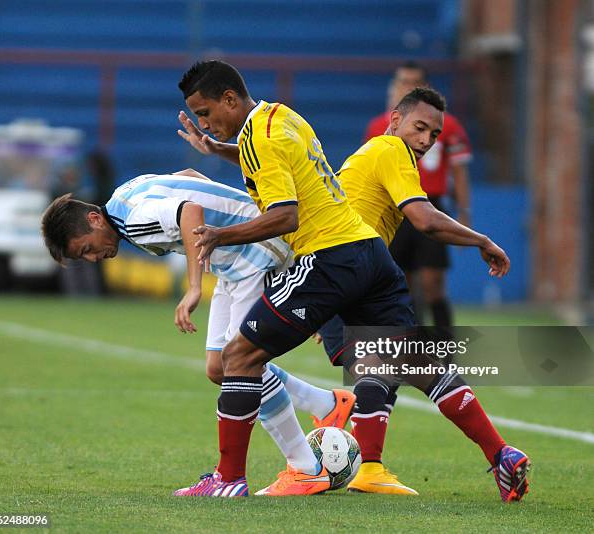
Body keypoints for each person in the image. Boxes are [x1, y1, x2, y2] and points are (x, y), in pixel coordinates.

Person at [173, 60, 530, 501]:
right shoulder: (280, 117)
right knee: (410, 364)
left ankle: (228, 479)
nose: (206, 121)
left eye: (206, 112)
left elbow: (287, 216)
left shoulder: (379, 148)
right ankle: (500, 455)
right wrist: (218, 147)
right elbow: (278, 160)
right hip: (371, 257)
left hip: (328, 258)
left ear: (230, 99)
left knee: (238, 357)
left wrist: (221, 234)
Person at [40, 171, 356, 496]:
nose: (93, 258)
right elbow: (188, 177)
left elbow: (188, 210)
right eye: (85, 257)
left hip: (254, 251)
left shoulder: (133, 221)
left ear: (93, 219)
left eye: (86, 249)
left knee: (241, 363)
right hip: (230, 262)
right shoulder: (123, 195)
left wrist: (193, 287)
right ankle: (325, 404)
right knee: (219, 368)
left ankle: (303, 468)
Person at [365, 61, 472, 328]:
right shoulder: (380, 125)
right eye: (403, 81)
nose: (407, 86)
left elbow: (459, 171)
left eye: (414, 82)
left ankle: (445, 354)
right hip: (395, 210)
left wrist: (464, 212)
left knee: (433, 283)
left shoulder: (448, 125)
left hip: (430, 204)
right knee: (403, 285)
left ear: (424, 87)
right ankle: (415, 352)